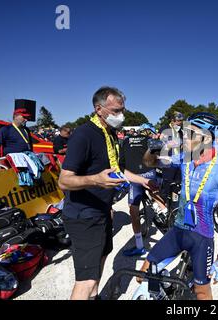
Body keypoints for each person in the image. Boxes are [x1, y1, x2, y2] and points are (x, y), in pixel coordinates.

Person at [58, 86, 149, 300]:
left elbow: (117, 170)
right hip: (84, 216)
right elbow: (64, 180)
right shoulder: (84, 134)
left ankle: (94, 296)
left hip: (102, 212)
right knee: (86, 280)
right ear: (99, 109)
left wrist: (142, 180)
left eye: (122, 110)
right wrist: (95, 179)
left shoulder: (109, 133)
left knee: (101, 259)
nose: (121, 115)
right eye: (116, 111)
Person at [140, 112, 218, 300]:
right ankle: (166, 285)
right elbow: (149, 162)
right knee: (144, 274)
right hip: (178, 230)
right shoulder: (185, 158)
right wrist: (153, 149)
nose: (184, 138)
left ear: (206, 138)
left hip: (201, 238)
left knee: (201, 292)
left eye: (189, 134)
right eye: (183, 133)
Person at [119, 123, 162, 256]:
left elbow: (122, 162)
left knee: (134, 211)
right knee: (158, 198)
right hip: (149, 174)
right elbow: (157, 159)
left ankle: (139, 245)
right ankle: (163, 211)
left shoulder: (126, 140)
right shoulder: (151, 141)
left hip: (134, 177)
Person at [158, 111, 184, 205]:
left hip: (178, 162)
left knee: (177, 185)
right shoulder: (164, 128)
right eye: (178, 121)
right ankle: (163, 205)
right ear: (172, 120)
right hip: (167, 161)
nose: (180, 123)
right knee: (166, 186)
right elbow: (161, 142)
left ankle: (174, 206)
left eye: (181, 121)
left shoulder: (181, 131)